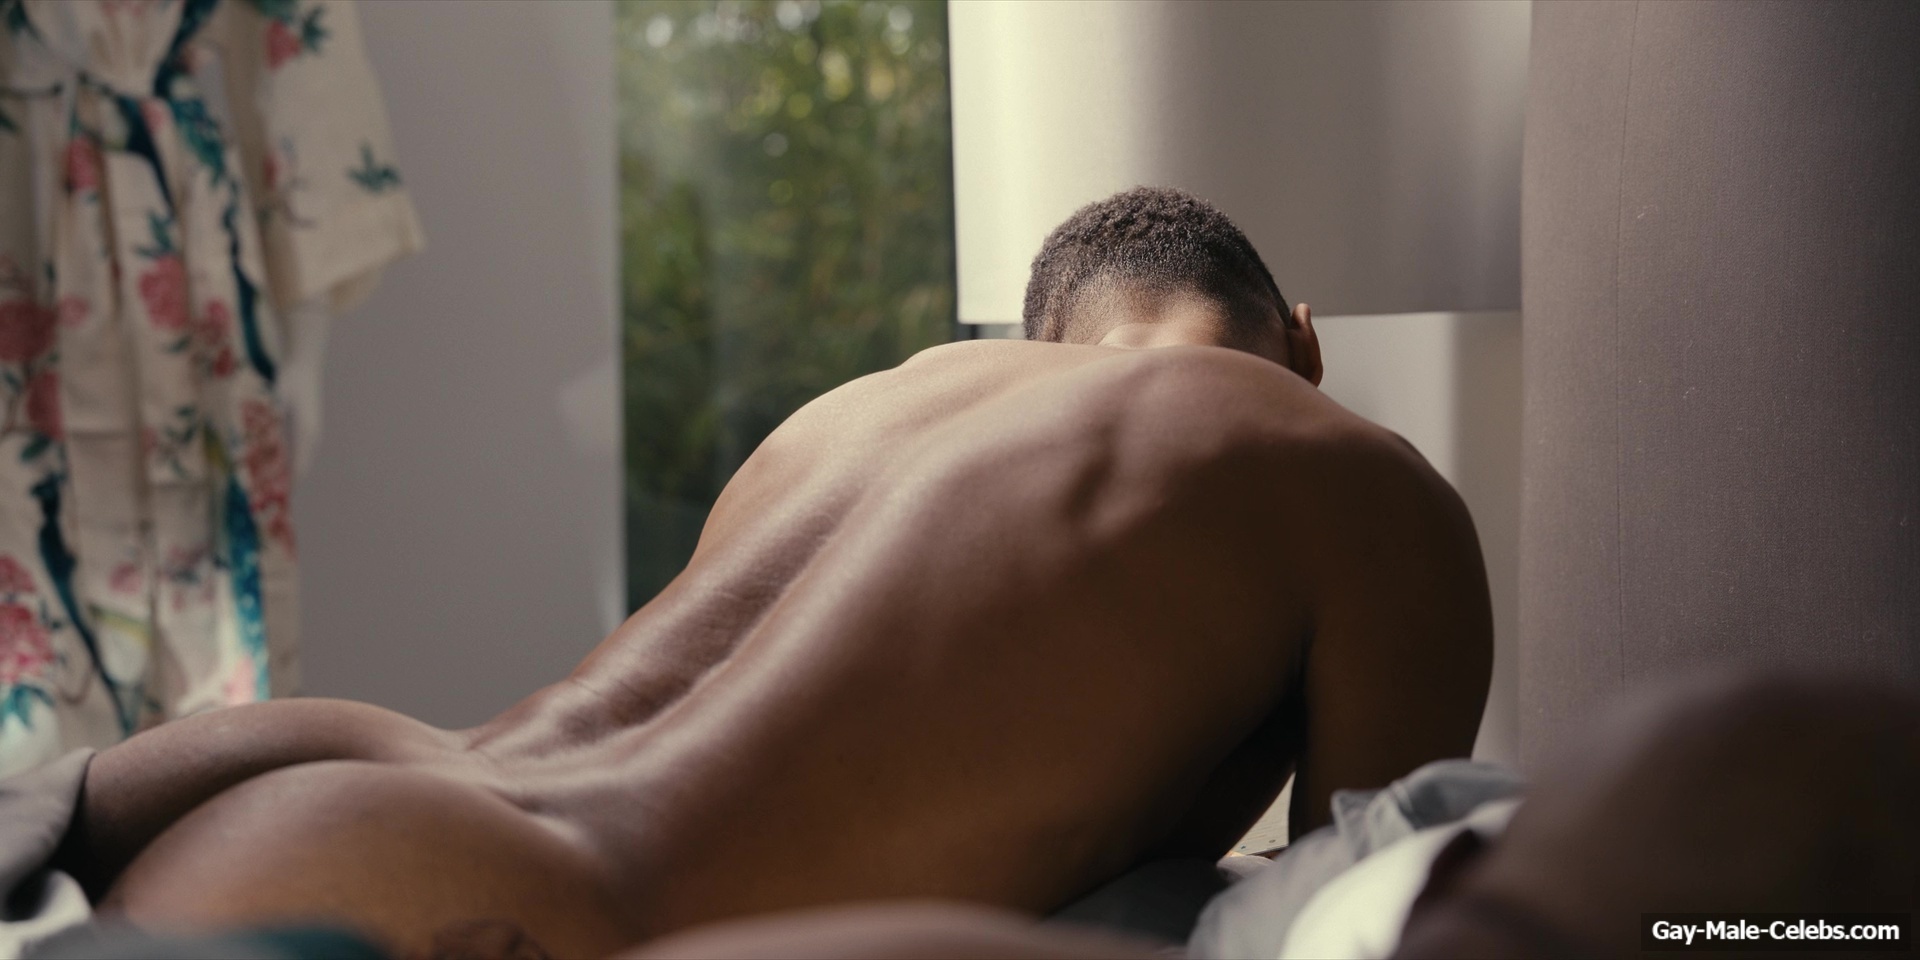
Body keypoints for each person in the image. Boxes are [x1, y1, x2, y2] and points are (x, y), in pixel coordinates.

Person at [46, 187, 1492, 958]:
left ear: (1039, 355)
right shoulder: (1365, 484)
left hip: (330, 791)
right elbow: (1352, 900)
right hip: (542, 923)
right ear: (1305, 342)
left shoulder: (879, 403)